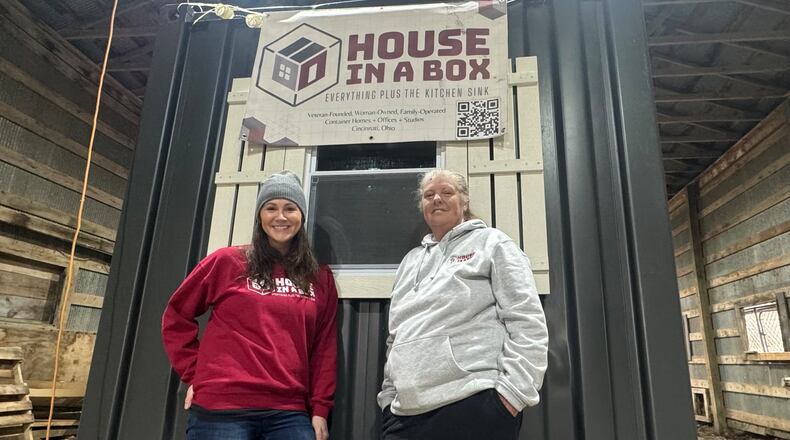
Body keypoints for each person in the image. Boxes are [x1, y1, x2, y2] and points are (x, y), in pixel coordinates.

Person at [162, 171, 337, 440]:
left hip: (288, 411)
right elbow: (177, 316)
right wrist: (195, 373)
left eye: (290, 208)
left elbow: (324, 348)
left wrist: (320, 408)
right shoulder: (227, 261)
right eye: (271, 208)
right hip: (221, 408)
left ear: (301, 216)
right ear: (260, 216)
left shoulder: (319, 277)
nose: (280, 216)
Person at [379, 169, 548, 440]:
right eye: (429, 195)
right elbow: (395, 336)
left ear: (465, 201)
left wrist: (511, 397)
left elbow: (527, 320)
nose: (437, 199)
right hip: (404, 415)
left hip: (473, 405)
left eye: (447, 192)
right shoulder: (410, 262)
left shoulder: (493, 243)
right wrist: (389, 398)